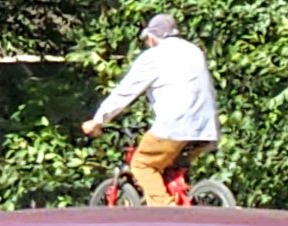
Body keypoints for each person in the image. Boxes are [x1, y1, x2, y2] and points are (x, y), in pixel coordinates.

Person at [81, 13, 219, 207]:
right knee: (169, 167)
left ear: (153, 37)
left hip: (176, 126)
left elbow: (125, 92)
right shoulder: (194, 51)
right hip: (206, 128)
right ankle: (188, 201)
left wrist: (98, 121)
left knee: (142, 164)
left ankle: (167, 212)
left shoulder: (155, 56)